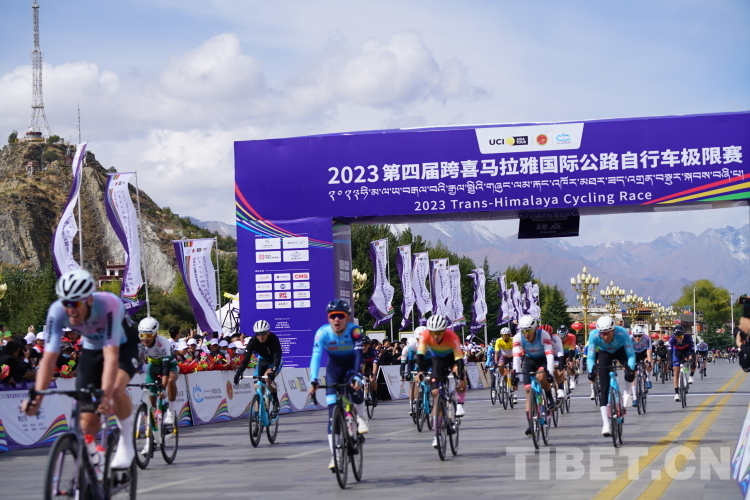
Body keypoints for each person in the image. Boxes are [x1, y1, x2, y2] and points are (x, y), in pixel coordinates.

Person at [22, 269, 139, 472]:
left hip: (123, 347)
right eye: (66, 303)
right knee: (86, 421)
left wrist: (105, 396)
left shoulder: (108, 305)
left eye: (76, 304)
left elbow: (111, 357)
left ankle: (126, 442)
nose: (70, 310)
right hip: (92, 349)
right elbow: (49, 359)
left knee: (115, 389)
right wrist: (36, 398)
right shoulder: (57, 311)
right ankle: (95, 461)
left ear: (89, 300)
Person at [308, 299, 368, 470]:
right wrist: (313, 379)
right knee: (331, 414)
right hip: (333, 370)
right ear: (328, 318)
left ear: (347, 317)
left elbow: (359, 356)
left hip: (352, 366)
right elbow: (316, 356)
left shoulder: (354, 331)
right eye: (333, 316)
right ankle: (336, 456)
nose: (336, 319)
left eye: (340, 316)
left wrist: (357, 376)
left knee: (355, 389)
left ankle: (361, 417)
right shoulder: (322, 333)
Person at [416, 314, 467, 449]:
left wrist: (461, 378)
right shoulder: (425, 335)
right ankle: (437, 434)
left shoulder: (452, 336)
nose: (435, 335)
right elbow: (420, 356)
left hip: (452, 359)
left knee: (460, 374)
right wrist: (420, 372)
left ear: (444, 330)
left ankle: (460, 404)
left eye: (439, 332)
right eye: (433, 332)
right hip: (437, 361)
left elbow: (459, 359)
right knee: (436, 393)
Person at [587, 315, 635, 437]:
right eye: (602, 334)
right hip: (605, 353)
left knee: (630, 373)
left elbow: (630, 355)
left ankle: (627, 394)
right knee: (604, 388)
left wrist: (630, 368)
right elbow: (590, 357)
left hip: (620, 350)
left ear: (613, 330)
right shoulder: (594, 335)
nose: (604, 336)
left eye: (607, 333)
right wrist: (591, 371)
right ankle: (605, 424)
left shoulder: (622, 333)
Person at [512, 315, 556, 436]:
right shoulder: (517, 337)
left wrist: (550, 373)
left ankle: (549, 397)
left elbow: (549, 356)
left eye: (528, 331)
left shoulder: (543, 335)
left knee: (541, 377)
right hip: (529, 360)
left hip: (543, 359)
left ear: (535, 329)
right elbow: (516, 358)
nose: (526, 335)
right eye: (523, 331)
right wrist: (516, 375)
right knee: (528, 391)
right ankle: (530, 424)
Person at [234, 320, 283, 417]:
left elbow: (277, 357)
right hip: (263, 360)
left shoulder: (273, 339)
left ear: (268, 332)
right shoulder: (253, 341)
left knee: (267, 378)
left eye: (262, 333)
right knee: (257, 385)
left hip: (274, 360)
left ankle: (275, 401)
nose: (260, 336)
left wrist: (273, 371)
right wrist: (238, 373)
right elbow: (246, 360)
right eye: (258, 334)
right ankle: (256, 415)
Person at [138, 317, 178, 427]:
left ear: (155, 334)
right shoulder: (139, 341)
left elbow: (165, 368)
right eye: (143, 335)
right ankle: (156, 418)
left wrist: (163, 388)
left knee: (170, 380)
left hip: (169, 364)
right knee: (151, 392)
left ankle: (171, 411)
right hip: (153, 365)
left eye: (149, 335)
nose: (145, 339)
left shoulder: (163, 342)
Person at [400, 326, 429, 415]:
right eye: (418, 339)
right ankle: (412, 405)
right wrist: (406, 373)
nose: (420, 342)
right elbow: (409, 361)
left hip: (427, 360)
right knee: (412, 382)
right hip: (415, 362)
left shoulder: (431, 344)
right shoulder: (411, 346)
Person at [670, 324, 695, 400]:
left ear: (683, 335)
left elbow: (692, 351)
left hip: (687, 351)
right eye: (677, 337)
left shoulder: (688, 338)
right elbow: (669, 351)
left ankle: (691, 375)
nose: (679, 338)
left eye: (680, 336)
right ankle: (676, 393)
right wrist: (670, 362)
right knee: (676, 371)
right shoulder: (672, 339)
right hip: (677, 352)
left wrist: (691, 359)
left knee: (693, 361)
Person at [629, 325, 653, 406]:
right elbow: (627, 351)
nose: (637, 338)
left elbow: (649, 351)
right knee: (633, 375)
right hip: (634, 353)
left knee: (648, 363)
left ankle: (648, 380)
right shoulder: (629, 338)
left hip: (644, 352)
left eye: (639, 336)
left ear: (642, 335)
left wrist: (649, 362)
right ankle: (635, 398)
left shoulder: (647, 338)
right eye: (635, 336)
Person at [493, 327, 518, 404]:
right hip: (504, 356)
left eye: (506, 335)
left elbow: (518, 350)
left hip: (513, 356)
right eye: (503, 336)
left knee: (513, 373)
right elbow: (496, 353)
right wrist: (496, 363)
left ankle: (514, 394)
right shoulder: (498, 340)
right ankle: (502, 377)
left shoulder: (514, 340)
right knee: (500, 365)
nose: (504, 337)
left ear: (509, 335)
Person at [361, 336, 380, 406]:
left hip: (371, 365)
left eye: (366, 345)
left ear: (369, 345)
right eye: (362, 345)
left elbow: (375, 364)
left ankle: (375, 394)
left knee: (372, 379)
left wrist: (373, 374)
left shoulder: (372, 351)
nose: (364, 347)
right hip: (362, 364)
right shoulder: (357, 351)